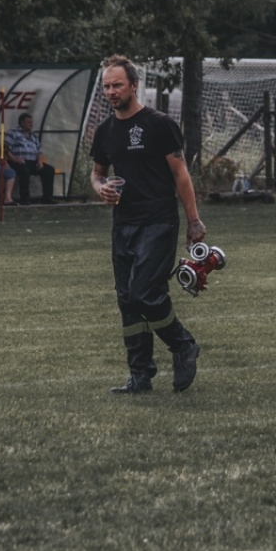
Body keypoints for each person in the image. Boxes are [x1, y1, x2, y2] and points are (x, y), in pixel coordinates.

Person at [89, 55, 204, 393]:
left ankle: (182, 344)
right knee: (127, 299)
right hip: (123, 222)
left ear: (134, 85)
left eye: (117, 85)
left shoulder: (158, 124)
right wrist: (102, 189)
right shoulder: (105, 130)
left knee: (143, 293)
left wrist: (193, 221)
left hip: (158, 221)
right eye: (106, 86)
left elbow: (181, 174)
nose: (111, 92)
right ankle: (140, 374)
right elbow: (96, 174)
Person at [5, 111, 58, 204]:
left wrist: (40, 161)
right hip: (18, 161)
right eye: (28, 122)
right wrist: (14, 158)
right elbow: (5, 148)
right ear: (21, 123)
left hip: (33, 161)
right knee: (25, 171)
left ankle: (47, 197)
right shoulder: (13, 133)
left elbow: (39, 150)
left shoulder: (33, 136)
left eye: (32, 122)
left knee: (49, 170)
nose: (31, 124)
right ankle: (24, 198)